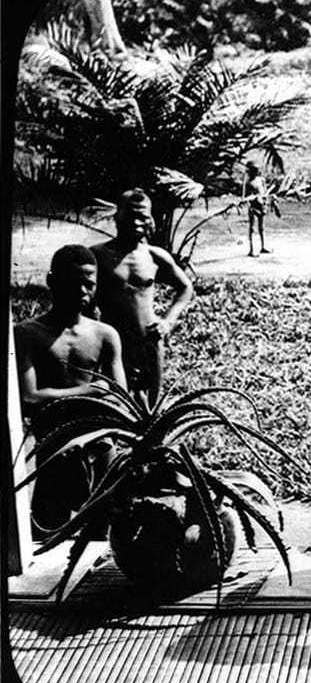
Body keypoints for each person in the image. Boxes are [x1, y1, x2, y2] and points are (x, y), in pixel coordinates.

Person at [14, 245, 127, 537]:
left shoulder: (105, 335)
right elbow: (28, 398)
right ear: (52, 281)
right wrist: (89, 391)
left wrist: (80, 397)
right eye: (72, 281)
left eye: (89, 283)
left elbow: (120, 398)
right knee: (46, 534)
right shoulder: (28, 334)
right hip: (54, 451)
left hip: (99, 449)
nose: (81, 290)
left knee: (103, 538)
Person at [90, 188, 194, 407]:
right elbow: (84, 300)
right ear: (117, 216)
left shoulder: (154, 256)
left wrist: (167, 322)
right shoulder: (98, 255)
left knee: (150, 407)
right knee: (116, 401)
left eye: (143, 217)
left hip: (149, 341)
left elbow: (185, 288)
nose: (136, 223)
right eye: (130, 215)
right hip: (113, 342)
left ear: (150, 220)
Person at [242, 160, 271, 257]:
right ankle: (251, 250)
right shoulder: (248, 183)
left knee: (262, 228)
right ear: (249, 171)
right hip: (253, 207)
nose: (254, 172)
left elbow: (264, 191)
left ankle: (263, 247)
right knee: (252, 228)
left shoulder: (261, 180)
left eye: (256, 170)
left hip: (261, 205)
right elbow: (245, 197)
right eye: (253, 170)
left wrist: (265, 199)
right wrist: (250, 198)